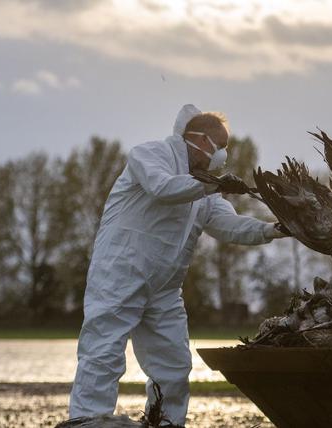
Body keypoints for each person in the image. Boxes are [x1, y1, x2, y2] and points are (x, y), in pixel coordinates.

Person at [67, 104, 287, 426]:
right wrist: (214, 184)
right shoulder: (150, 155)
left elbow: (229, 225)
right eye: (220, 145)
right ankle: (87, 421)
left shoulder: (205, 190)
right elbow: (162, 188)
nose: (223, 154)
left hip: (164, 289)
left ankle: (166, 423)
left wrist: (274, 229)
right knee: (104, 352)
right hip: (120, 272)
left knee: (173, 364)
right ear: (197, 139)